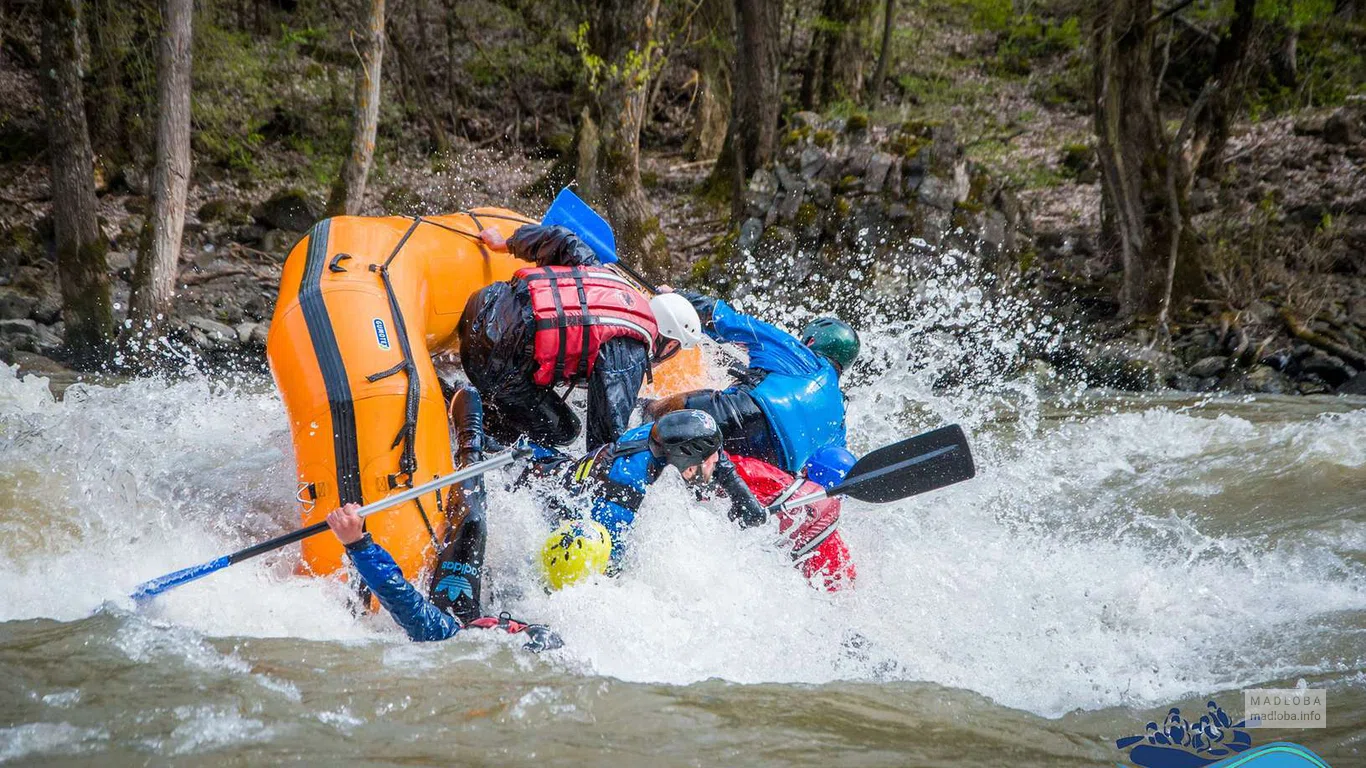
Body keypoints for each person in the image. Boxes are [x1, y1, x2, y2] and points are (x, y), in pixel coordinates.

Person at [324, 386, 561, 651]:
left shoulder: (444, 633)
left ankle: (471, 444)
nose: (509, 625)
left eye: (513, 630)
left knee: (473, 522)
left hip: (453, 608)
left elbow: (399, 595)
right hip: (480, 607)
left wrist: (357, 543)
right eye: (519, 627)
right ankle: (475, 445)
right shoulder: (517, 628)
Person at [458, 224, 704, 449]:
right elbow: (606, 438)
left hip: (483, 302)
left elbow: (561, 238)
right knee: (565, 431)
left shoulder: (608, 279)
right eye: (675, 350)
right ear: (670, 342)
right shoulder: (630, 355)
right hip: (489, 358)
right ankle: (478, 420)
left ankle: (485, 402)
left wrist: (505, 243)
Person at [528, 409, 768, 587]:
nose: (718, 460)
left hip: (563, 472)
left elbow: (716, 453)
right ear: (687, 461)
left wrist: (742, 497)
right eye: (710, 458)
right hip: (550, 504)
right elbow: (608, 563)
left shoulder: (662, 436)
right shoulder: (626, 486)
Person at [645, 291, 859, 475]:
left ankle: (628, 426)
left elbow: (723, 320)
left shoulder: (799, 354)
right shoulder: (839, 419)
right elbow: (827, 466)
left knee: (655, 413)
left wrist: (676, 296)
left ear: (811, 341)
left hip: (741, 415)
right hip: (771, 466)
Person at [731, 445, 858, 592]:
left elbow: (717, 465)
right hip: (764, 586)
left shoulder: (772, 478)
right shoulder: (831, 541)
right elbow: (845, 588)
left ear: (805, 470)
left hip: (733, 549)